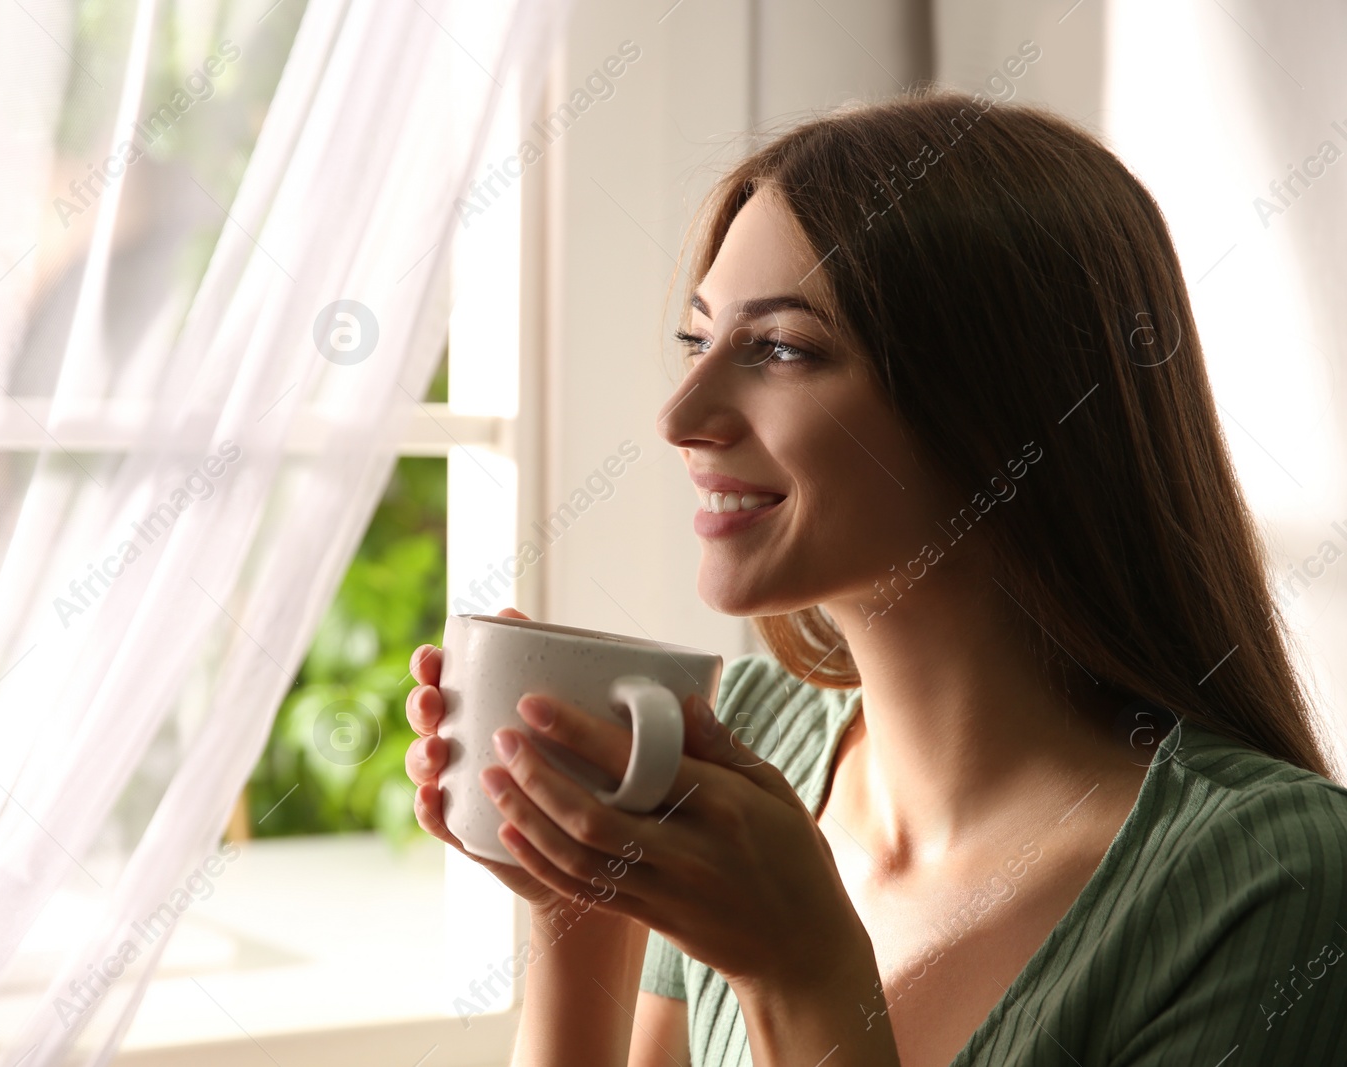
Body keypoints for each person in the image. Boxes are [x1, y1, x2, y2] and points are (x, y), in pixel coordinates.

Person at [403, 89, 1347, 1066]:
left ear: (1005, 408)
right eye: (698, 341)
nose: (682, 415)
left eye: (780, 348)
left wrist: (801, 975)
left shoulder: (1274, 883)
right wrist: (583, 894)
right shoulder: (745, 742)